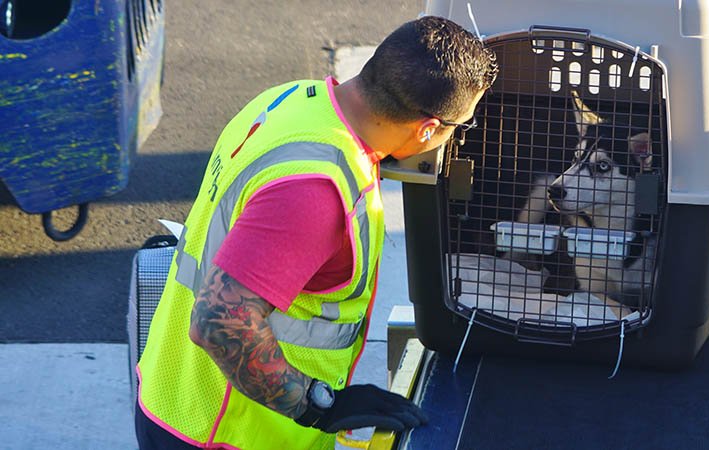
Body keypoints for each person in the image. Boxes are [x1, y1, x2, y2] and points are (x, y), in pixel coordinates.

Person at [134, 15, 497, 450]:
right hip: (230, 433)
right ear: (426, 128)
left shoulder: (293, 100)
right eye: (460, 126)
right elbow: (219, 322)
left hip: (172, 394)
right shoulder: (318, 192)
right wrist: (317, 404)